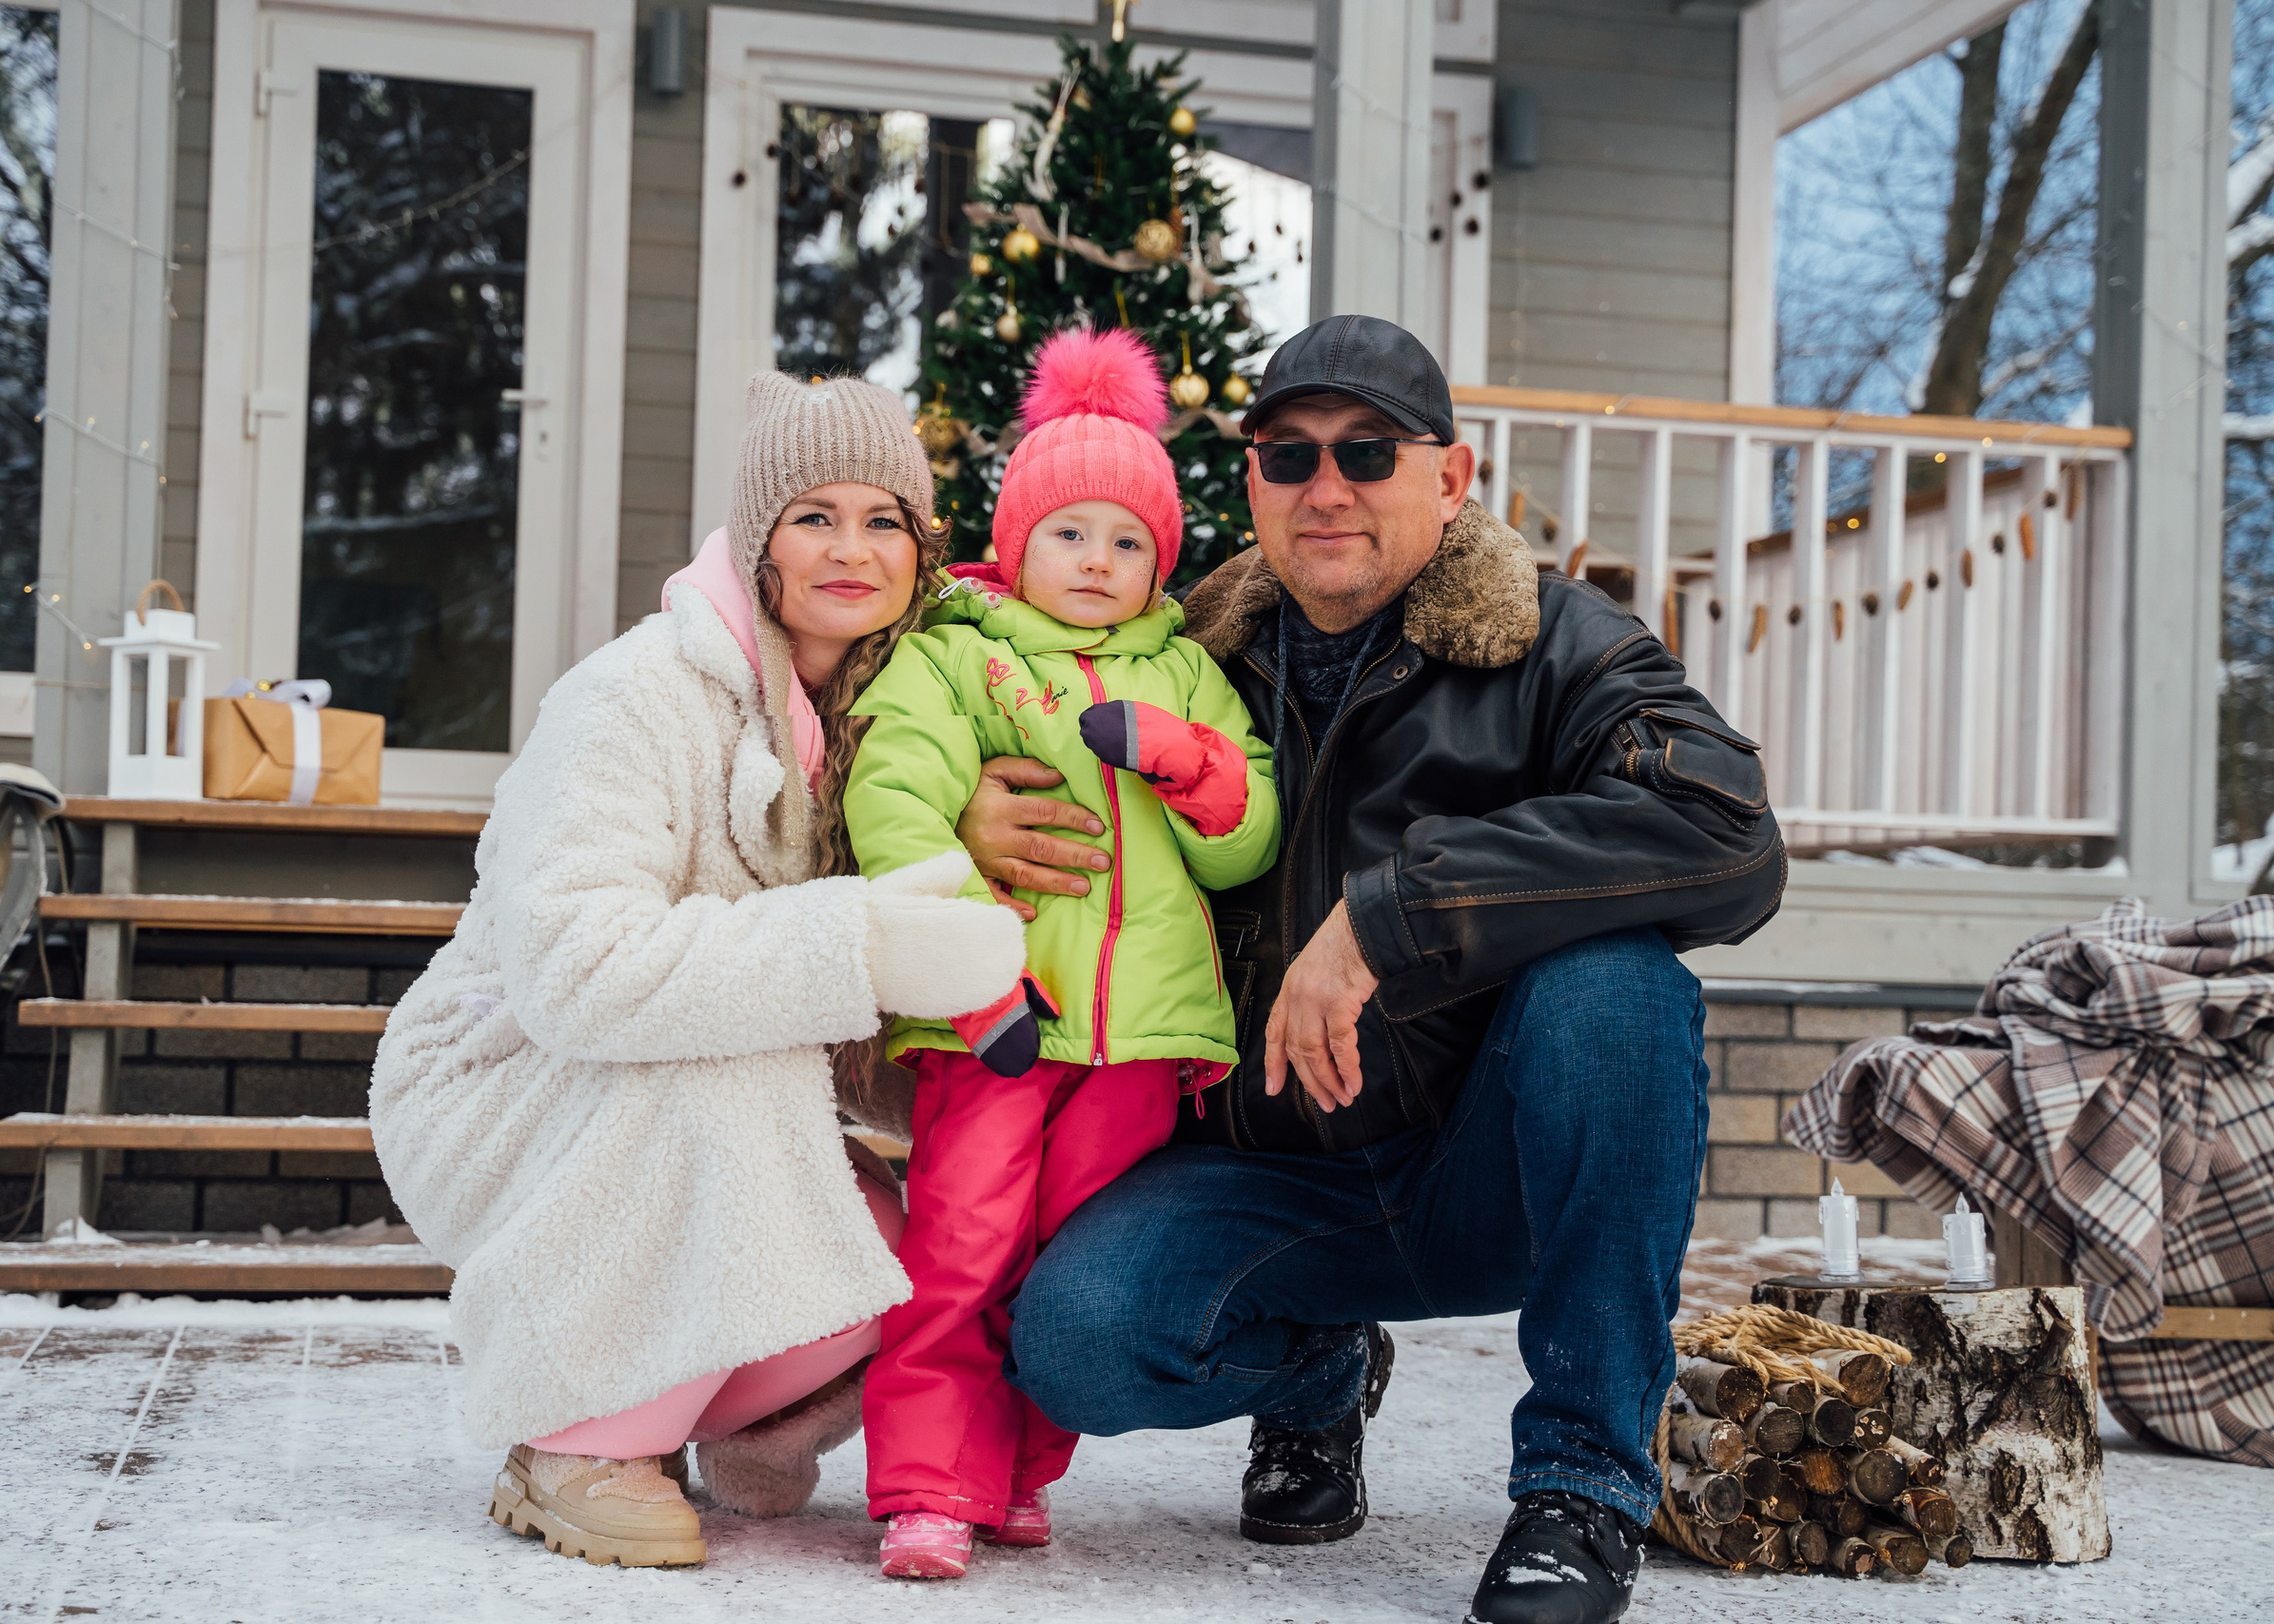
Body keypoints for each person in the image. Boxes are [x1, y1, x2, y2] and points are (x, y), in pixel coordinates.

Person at [965, 315, 1787, 1624]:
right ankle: (1317, 1370)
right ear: (1250, 483)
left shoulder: (1558, 643)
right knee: (1074, 1341)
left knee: (1618, 986)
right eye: (1288, 455)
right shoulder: (1176, 654)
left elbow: (1727, 830)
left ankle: (1581, 1485)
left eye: (1367, 449)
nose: (1326, 484)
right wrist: (976, 828)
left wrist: (1392, 913)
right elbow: (944, 754)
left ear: (1449, 479)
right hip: (1269, 1171)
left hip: (1489, 1162)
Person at [368, 373, 1025, 1568]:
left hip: (687, 1089)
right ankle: (578, 1441)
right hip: (505, 1080)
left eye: (884, 520)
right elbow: (576, 967)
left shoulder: (886, 724)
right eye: (812, 516)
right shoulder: (636, 696)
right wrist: (860, 940)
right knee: (732, 1072)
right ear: (756, 536)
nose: (850, 549)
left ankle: (725, 1424)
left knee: (916, 1258)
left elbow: (851, 1035)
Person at [844, 329, 1282, 1579]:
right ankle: (929, 1484)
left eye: (1128, 540)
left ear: (1161, 561)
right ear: (1017, 540)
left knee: (1070, 1258)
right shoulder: (956, 655)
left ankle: (1022, 1468)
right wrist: (964, 964)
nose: (1097, 561)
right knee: (961, 1247)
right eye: (1070, 532)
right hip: (997, 1023)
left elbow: (1243, 842)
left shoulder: (1191, 672)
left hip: (1142, 1038)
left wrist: (1193, 766)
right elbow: (896, 800)